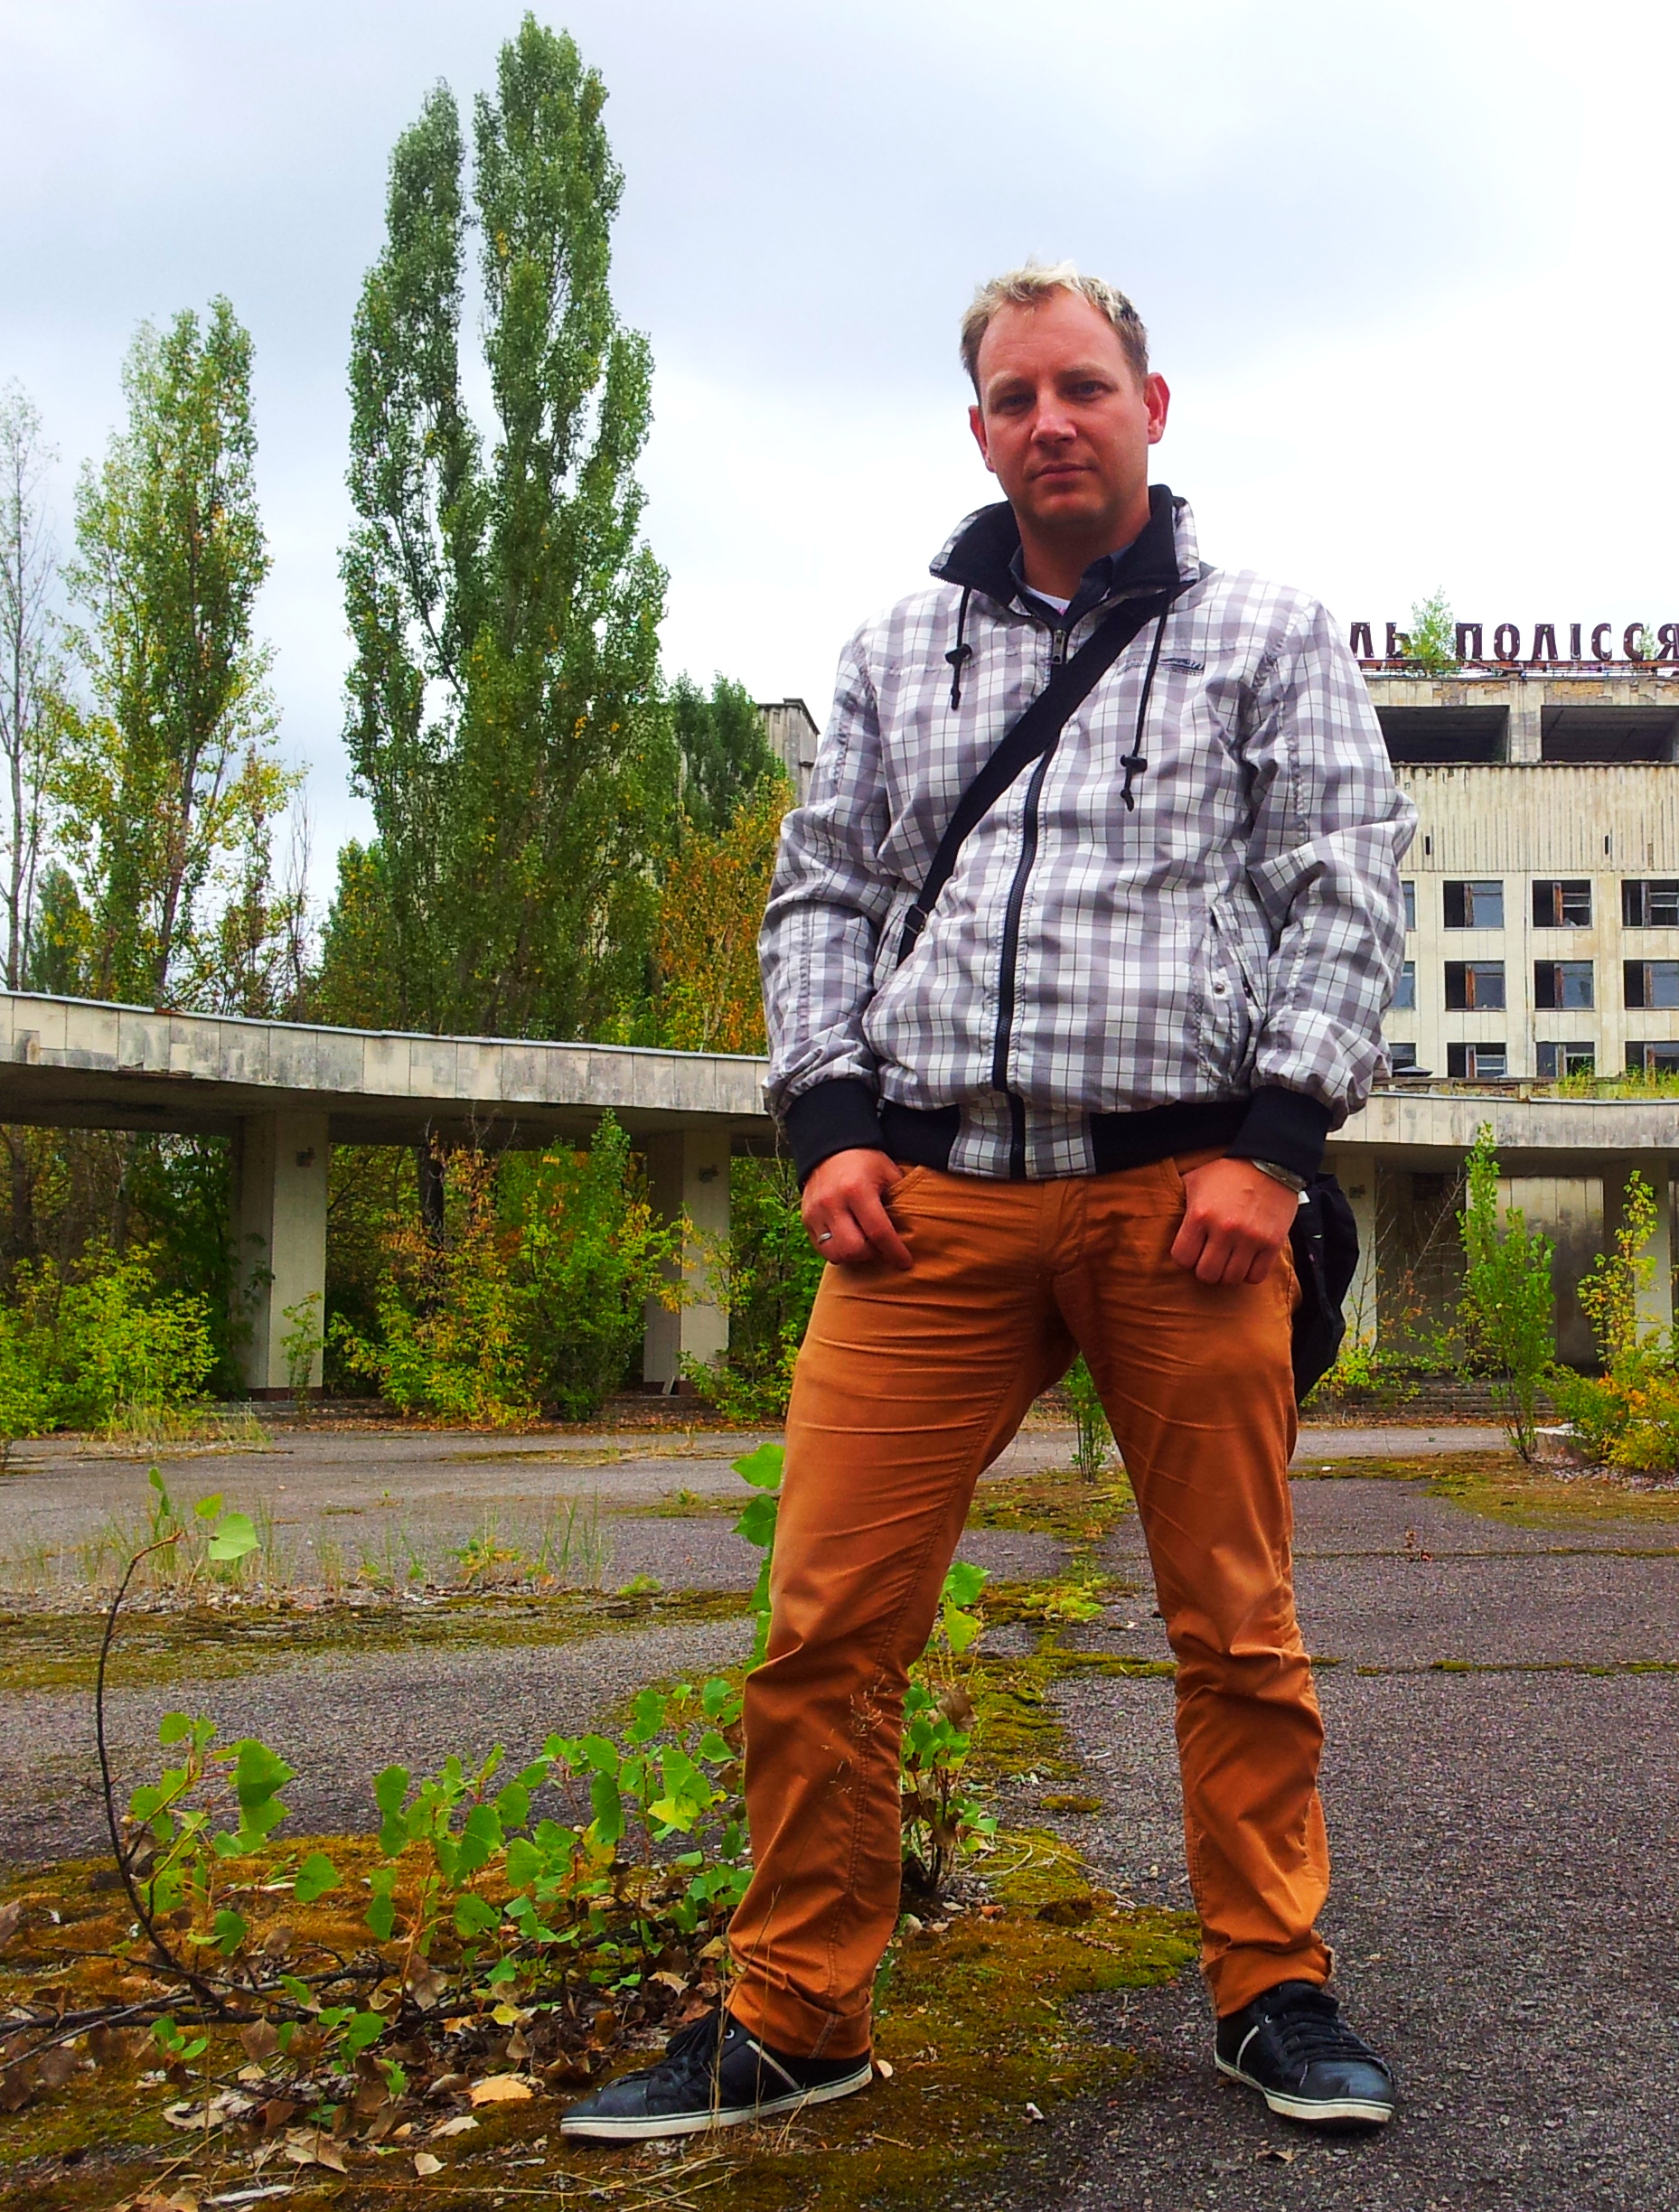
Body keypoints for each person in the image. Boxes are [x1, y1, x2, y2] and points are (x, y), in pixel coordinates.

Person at [563, 262, 1414, 2143]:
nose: (1052, 422)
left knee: (1237, 1626)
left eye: (1083, 388)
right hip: (929, 1208)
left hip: (1184, 1201)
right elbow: (825, 894)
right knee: (825, 1625)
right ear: (979, 429)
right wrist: (827, 1123)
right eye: (1017, 397)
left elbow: (1347, 888)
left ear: (1151, 406)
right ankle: (797, 2012)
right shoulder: (898, 651)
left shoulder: (1267, 632)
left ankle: (1272, 1988)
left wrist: (1276, 1147)